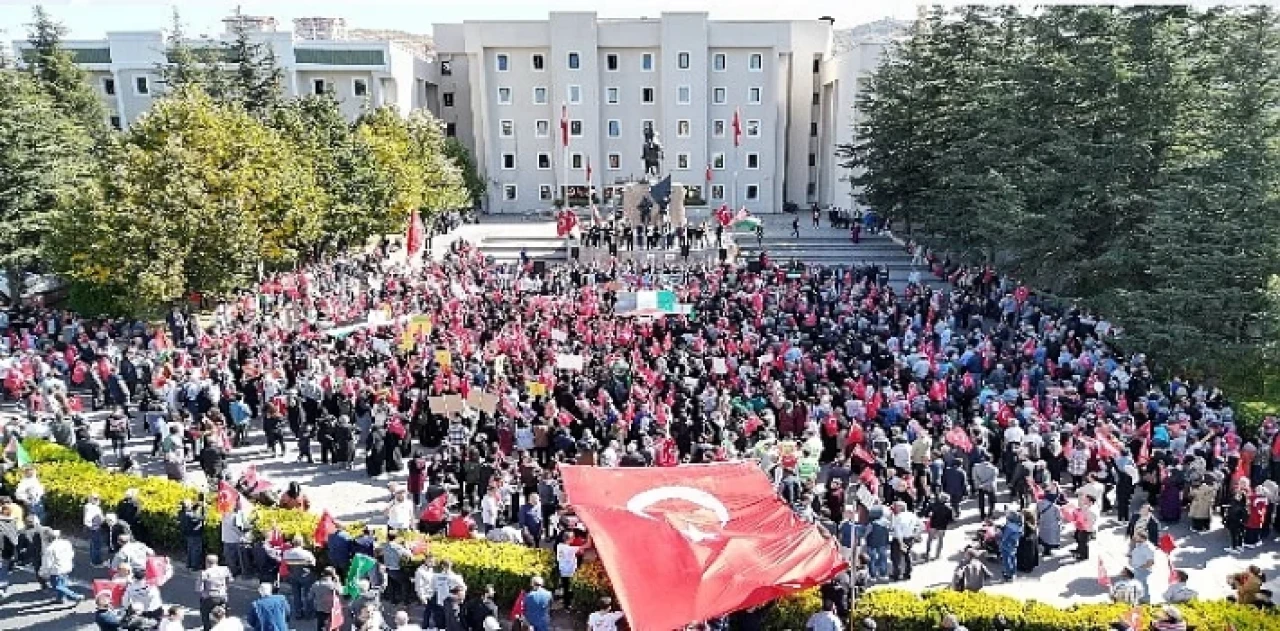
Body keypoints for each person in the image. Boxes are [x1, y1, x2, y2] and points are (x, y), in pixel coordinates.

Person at [39, 529, 82, 604]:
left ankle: (75, 596)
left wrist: (42, 573)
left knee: (57, 586)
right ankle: (60, 599)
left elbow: (47, 563)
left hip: (56, 570)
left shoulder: (49, 549)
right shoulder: (66, 543)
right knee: (62, 584)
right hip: (67, 566)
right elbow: (71, 554)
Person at [283, 535, 319, 619]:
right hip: (305, 576)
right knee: (308, 595)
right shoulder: (306, 553)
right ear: (302, 543)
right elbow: (313, 563)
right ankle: (309, 614)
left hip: (293, 575)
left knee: (296, 596)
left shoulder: (286, 553)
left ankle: (298, 613)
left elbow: (286, 564)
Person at [198, 554, 233, 631]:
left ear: (206, 562)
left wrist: (204, 594)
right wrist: (225, 588)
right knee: (224, 613)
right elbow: (230, 580)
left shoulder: (204, 573)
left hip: (210, 597)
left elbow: (199, 588)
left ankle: (207, 628)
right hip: (223, 596)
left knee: (205, 614)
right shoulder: (225, 569)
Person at [309, 567, 343, 631]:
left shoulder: (316, 584)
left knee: (320, 626)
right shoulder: (333, 585)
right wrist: (338, 581)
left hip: (320, 609)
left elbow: (310, 597)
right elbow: (341, 592)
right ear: (333, 575)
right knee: (333, 627)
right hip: (332, 610)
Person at [1127, 531, 1157, 604]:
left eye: (1136, 536)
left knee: (1141, 584)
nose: (1134, 537)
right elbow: (1136, 553)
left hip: (1143, 570)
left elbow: (1151, 562)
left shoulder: (1148, 547)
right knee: (1140, 584)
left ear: (1141, 537)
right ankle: (1142, 600)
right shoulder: (1139, 544)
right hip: (1138, 569)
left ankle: (1145, 600)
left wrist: (1140, 567)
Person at [554, 531, 581, 602]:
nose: (574, 538)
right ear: (570, 539)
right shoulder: (569, 549)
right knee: (569, 588)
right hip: (569, 571)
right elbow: (585, 546)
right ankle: (567, 603)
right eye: (573, 537)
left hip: (562, 570)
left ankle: (565, 602)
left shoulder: (559, 546)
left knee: (565, 587)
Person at [180, 499, 206, 570]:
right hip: (195, 535)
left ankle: (189, 564)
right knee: (196, 551)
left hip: (189, 535)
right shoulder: (190, 515)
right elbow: (201, 518)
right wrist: (204, 509)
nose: (191, 505)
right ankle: (195, 566)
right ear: (188, 506)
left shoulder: (182, 513)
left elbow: (191, 510)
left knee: (190, 550)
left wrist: (197, 504)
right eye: (190, 504)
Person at [85, 493, 107, 567]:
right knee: (97, 546)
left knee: (93, 545)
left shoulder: (89, 506)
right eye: (95, 498)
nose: (98, 500)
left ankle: (93, 560)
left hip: (93, 528)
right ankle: (96, 562)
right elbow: (88, 519)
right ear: (91, 499)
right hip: (95, 529)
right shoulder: (94, 508)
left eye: (98, 498)